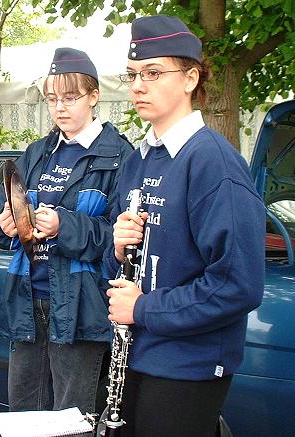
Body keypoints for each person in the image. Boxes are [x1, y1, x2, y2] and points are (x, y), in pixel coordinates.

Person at [103, 15, 266, 437]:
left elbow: (238, 284)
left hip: (188, 365)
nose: (138, 85)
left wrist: (142, 308)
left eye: (154, 73)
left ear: (191, 77)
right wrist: (117, 248)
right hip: (136, 354)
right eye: (133, 74)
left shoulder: (213, 162)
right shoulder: (139, 159)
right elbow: (134, 267)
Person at [0, 47, 133, 414]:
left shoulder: (120, 157)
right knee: (24, 412)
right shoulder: (36, 153)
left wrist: (63, 226)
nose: (60, 108)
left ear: (94, 96)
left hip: (82, 307)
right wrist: (6, 226)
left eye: (70, 97)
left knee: (70, 416)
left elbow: (124, 241)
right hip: (27, 302)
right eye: (52, 99)